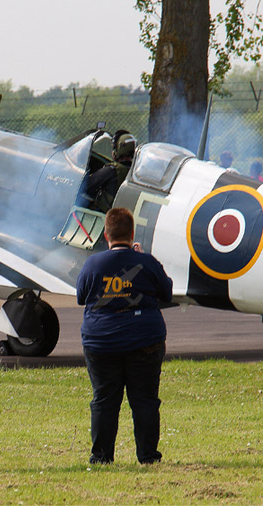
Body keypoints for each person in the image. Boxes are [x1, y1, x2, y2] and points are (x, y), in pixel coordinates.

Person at [76, 207, 173, 464]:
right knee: (145, 400)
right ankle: (148, 457)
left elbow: (80, 297)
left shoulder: (93, 264)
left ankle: (101, 457)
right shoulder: (147, 262)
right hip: (144, 339)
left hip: (101, 340)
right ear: (132, 233)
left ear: (106, 235)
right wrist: (140, 261)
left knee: (105, 400)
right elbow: (167, 292)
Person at [85, 130, 137, 212]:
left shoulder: (111, 170)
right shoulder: (134, 172)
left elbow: (86, 186)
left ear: (119, 149)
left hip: (104, 216)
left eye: (114, 147)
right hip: (120, 216)